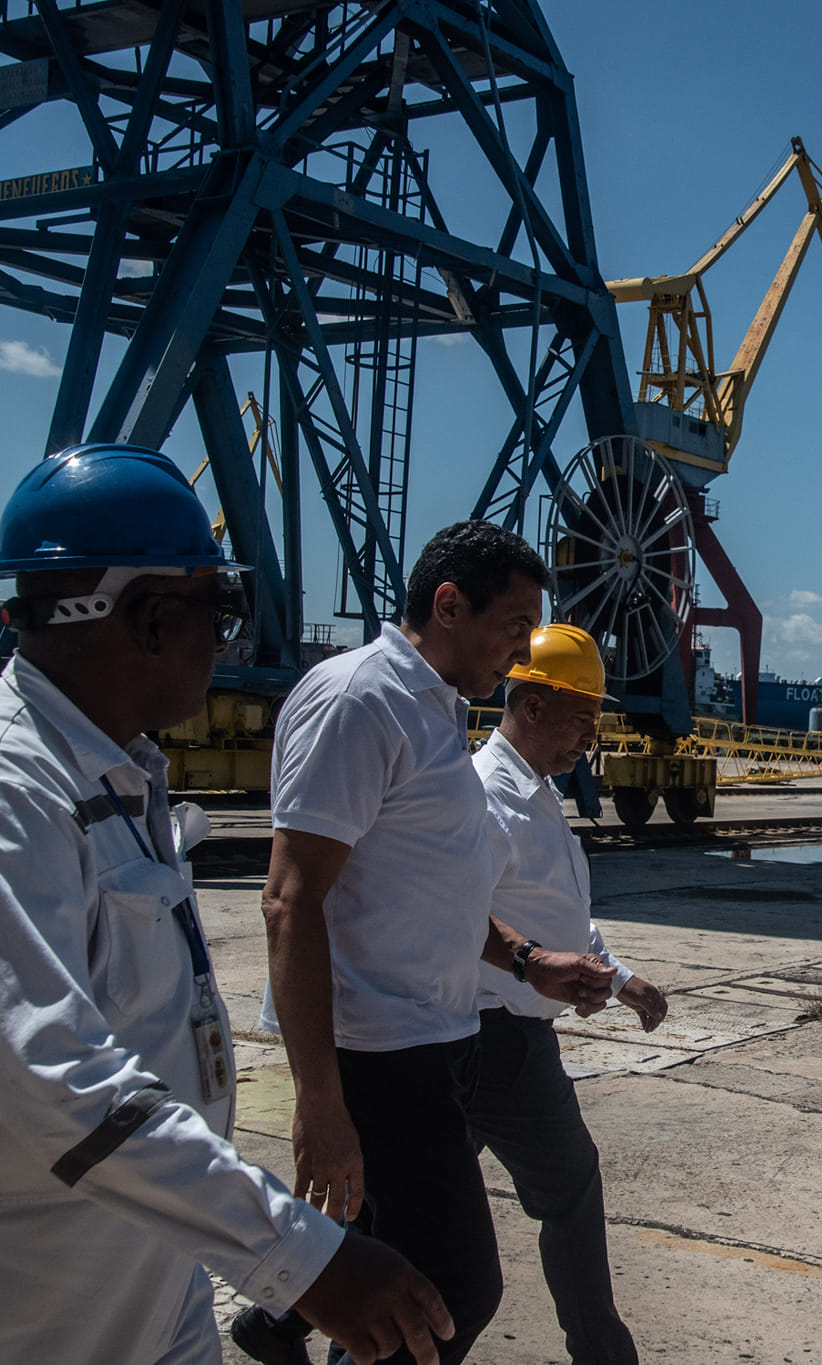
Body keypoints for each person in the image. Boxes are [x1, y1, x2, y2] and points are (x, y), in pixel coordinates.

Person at [0, 444, 453, 1365]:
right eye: (216, 612)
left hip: (135, 1257)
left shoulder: (106, 771)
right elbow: (61, 1085)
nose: (224, 641)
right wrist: (305, 1259)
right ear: (150, 618)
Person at [242, 522, 615, 1365]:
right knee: (452, 1284)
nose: (522, 653)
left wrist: (528, 961)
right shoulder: (360, 700)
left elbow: (435, 891)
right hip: (379, 1047)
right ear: (449, 604)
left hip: (437, 1041)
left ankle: (274, 1322)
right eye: (515, 628)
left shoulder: (436, 713)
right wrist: (321, 1101)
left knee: (405, 1280)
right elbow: (290, 902)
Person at [466, 623, 668, 1365]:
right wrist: (530, 964)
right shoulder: (490, 795)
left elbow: (561, 913)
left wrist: (618, 977)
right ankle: (603, 1353)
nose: (592, 729)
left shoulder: (537, 791)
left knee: (404, 1206)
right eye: (581, 712)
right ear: (533, 705)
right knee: (571, 1187)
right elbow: (457, 907)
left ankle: (284, 1316)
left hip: (500, 1036)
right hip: (494, 1035)